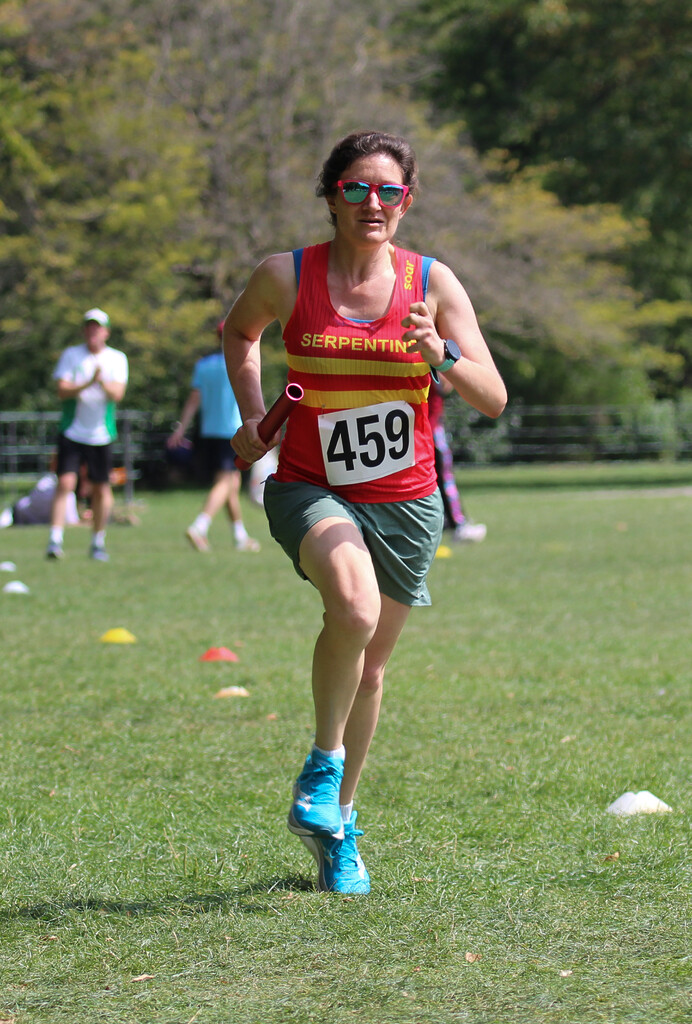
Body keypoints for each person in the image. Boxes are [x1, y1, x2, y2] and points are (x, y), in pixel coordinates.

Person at [223, 130, 507, 894]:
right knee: (349, 608)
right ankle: (323, 764)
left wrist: (438, 354)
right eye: (355, 188)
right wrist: (252, 418)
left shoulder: (432, 284)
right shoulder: (286, 277)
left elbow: (493, 394)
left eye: (388, 191)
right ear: (330, 196)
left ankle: (338, 826)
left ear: (407, 201)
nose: (372, 203)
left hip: (408, 502)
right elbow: (239, 332)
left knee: (372, 669)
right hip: (313, 485)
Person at [167, 322, 260, 553]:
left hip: (209, 432)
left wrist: (181, 428)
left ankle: (240, 537)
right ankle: (200, 525)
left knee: (232, 484)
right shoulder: (241, 363)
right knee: (226, 482)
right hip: (232, 431)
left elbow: (193, 400)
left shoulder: (203, 365)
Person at [46, 308, 128, 561]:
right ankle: (55, 540)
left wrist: (100, 381)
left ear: (106, 331)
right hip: (72, 431)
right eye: (89, 326)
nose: (92, 331)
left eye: (97, 327)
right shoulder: (72, 355)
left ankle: (97, 542)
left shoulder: (116, 358)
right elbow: (62, 390)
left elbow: (117, 394)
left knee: (101, 488)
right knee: (65, 483)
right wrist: (87, 382)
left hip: (101, 434)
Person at [428, 375, 487, 542]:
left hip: (427, 428)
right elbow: (445, 385)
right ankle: (458, 524)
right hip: (430, 429)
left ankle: (450, 522)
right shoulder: (427, 366)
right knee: (445, 479)